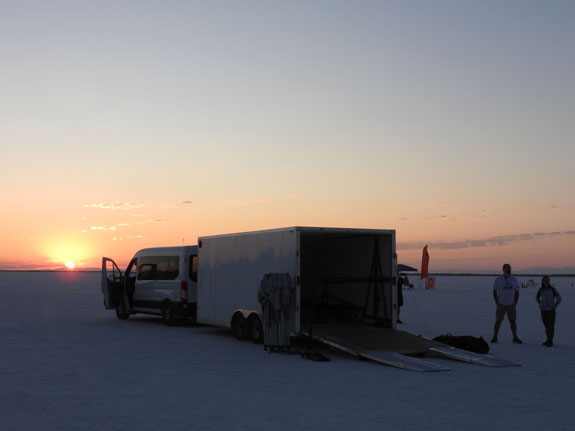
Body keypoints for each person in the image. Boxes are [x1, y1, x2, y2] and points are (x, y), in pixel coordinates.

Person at [491, 263, 522, 344]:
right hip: (501, 304)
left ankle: (515, 337)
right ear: (503, 269)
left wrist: (515, 302)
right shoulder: (498, 279)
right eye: (507, 268)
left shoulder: (513, 280)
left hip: (511, 304)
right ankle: (495, 337)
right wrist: (497, 302)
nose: (509, 270)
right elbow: (494, 291)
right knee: (498, 321)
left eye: (509, 268)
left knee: (512, 321)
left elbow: (517, 292)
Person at [535, 275, 561, 347]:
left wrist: (555, 305)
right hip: (543, 310)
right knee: (546, 326)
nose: (546, 282)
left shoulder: (553, 289)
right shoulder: (541, 290)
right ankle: (547, 340)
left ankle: (550, 341)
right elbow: (536, 298)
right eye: (545, 280)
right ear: (543, 281)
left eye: (548, 280)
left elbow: (559, 298)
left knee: (550, 326)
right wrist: (540, 304)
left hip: (551, 310)